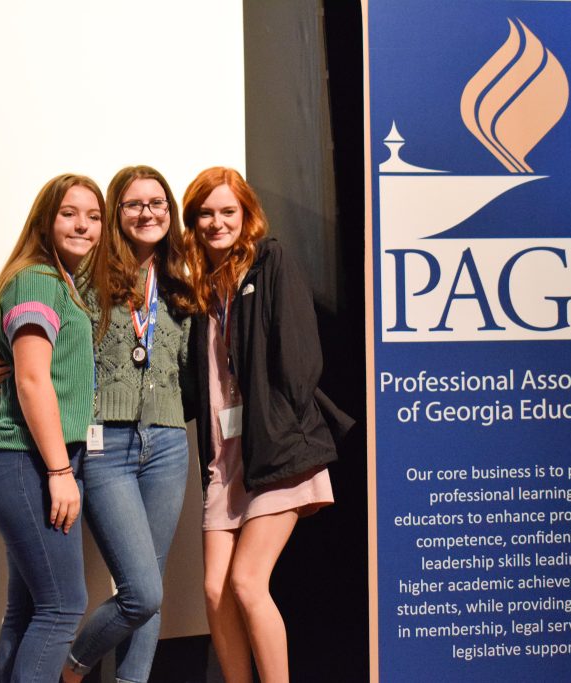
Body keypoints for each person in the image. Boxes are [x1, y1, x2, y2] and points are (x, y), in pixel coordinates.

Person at [0, 165, 196, 683]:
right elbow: (33, 332)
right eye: (132, 204)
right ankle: (72, 668)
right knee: (135, 589)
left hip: (169, 441)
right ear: (115, 215)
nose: (147, 213)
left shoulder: (181, 283)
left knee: (152, 589)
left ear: (170, 213)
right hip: (104, 443)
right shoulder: (84, 273)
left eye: (158, 203)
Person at [181, 167, 353, 683]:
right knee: (215, 589)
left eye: (227, 211)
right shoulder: (199, 288)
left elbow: (301, 355)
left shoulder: (269, 260)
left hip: (276, 448)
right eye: (207, 213)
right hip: (224, 457)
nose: (217, 223)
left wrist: (281, 419)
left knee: (248, 582)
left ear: (246, 215)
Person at [0, 173, 103, 682]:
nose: (83, 226)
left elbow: (18, 370)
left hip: (16, 464)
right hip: (24, 462)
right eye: (70, 213)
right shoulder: (38, 280)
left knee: (27, 612)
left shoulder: (58, 281)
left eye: (93, 217)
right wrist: (58, 470)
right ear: (45, 219)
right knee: (63, 607)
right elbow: (30, 380)